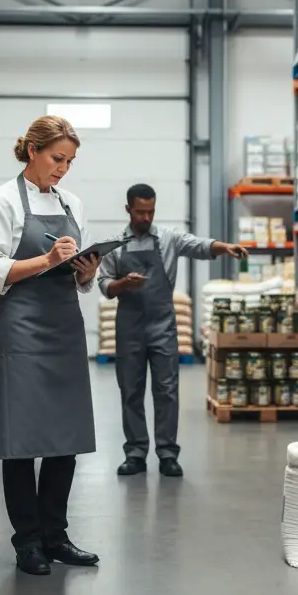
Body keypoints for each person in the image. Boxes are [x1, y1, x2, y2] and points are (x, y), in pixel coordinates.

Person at [0, 116, 102, 576]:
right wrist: (46, 259)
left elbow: (80, 272)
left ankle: (56, 535)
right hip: (22, 330)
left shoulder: (72, 203)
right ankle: (27, 541)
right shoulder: (2, 200)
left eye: (70, 161)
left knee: (63, 439)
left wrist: (86, 272)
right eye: (57, 158)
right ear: (32, 150)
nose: (63, 169)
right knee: (21, 441)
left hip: (64, 329)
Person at [98, 183, 248, 477]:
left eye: (150, 211)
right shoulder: (114, 244)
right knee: (130, 391)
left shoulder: (168, 238)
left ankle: (167, 453)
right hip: (128, 327)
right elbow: (105, 286)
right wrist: (123, 284)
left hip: (162, 324)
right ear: (128, 209)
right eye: (140, 212)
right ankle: (135, 453)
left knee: (166, 390)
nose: (145, 217)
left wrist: (225, 247)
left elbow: (199, 245)